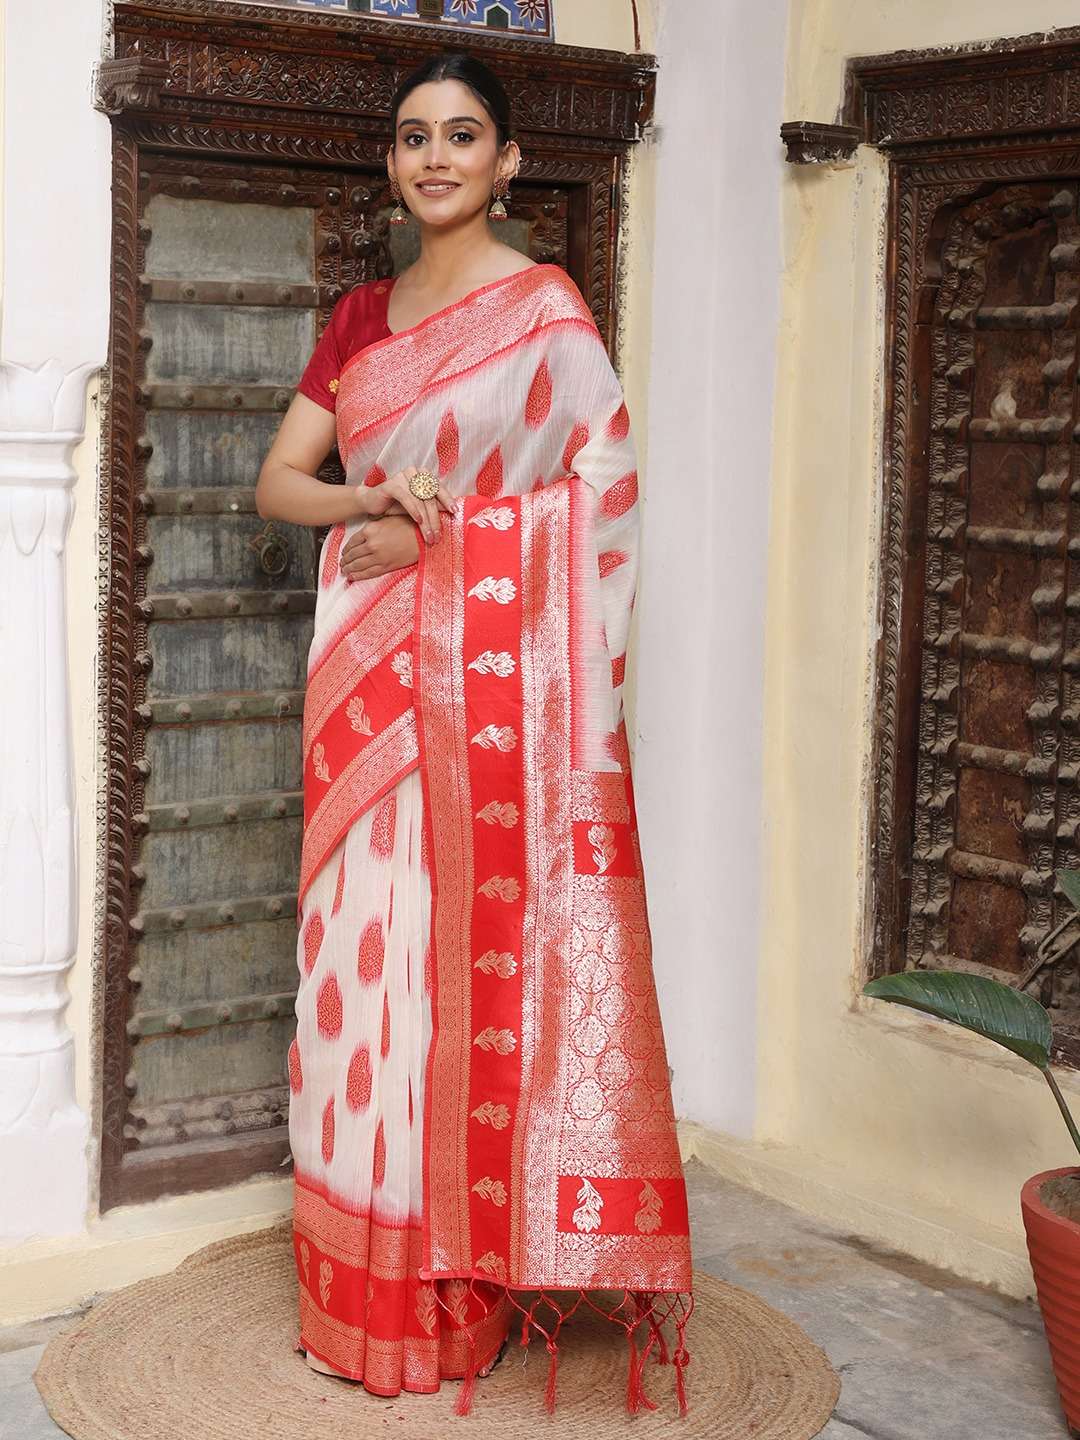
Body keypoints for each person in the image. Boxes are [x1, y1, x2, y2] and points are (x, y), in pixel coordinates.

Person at [256, 49, 694, 1418]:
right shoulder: (360, 319)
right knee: (359, 968)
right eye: (411, 137)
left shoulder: (546, 311)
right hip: (364, 691)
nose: (432, 158)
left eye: (460, 136)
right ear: (390, 163)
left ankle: (452, 1297)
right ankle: (358, 1296)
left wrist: (450, 544)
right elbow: (280, 484)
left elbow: (604, 493)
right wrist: (370, 505)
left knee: (458, 978)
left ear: (508, 162)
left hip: (489, 710)